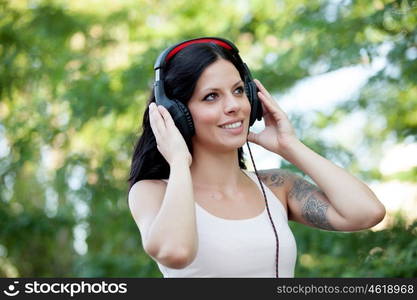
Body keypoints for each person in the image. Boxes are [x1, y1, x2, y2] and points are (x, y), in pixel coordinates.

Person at [127, 37, 386, 278]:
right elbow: (176, 252)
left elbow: (367, 212)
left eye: (239, 91)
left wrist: (290, 145)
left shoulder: (277, 187)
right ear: (176, 113)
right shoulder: (152, 192)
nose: (234, 105)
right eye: (211, 96)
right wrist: (179, 162)